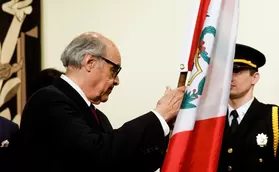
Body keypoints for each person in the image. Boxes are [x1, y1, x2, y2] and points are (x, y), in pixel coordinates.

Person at [18, 32, 185, 172]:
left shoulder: (99, 117)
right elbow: (95, 153)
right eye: (114, 70)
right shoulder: (48, 100)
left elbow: (121, 164)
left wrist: (166, 124)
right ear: (90, 62)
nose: (117, 80)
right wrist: (158, 116)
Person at [217, 43, 279, 172]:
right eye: (226, 71)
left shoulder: (278, 120)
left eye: (236, 70)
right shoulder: (210, 120)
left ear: (254, 78)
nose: (230, 77)